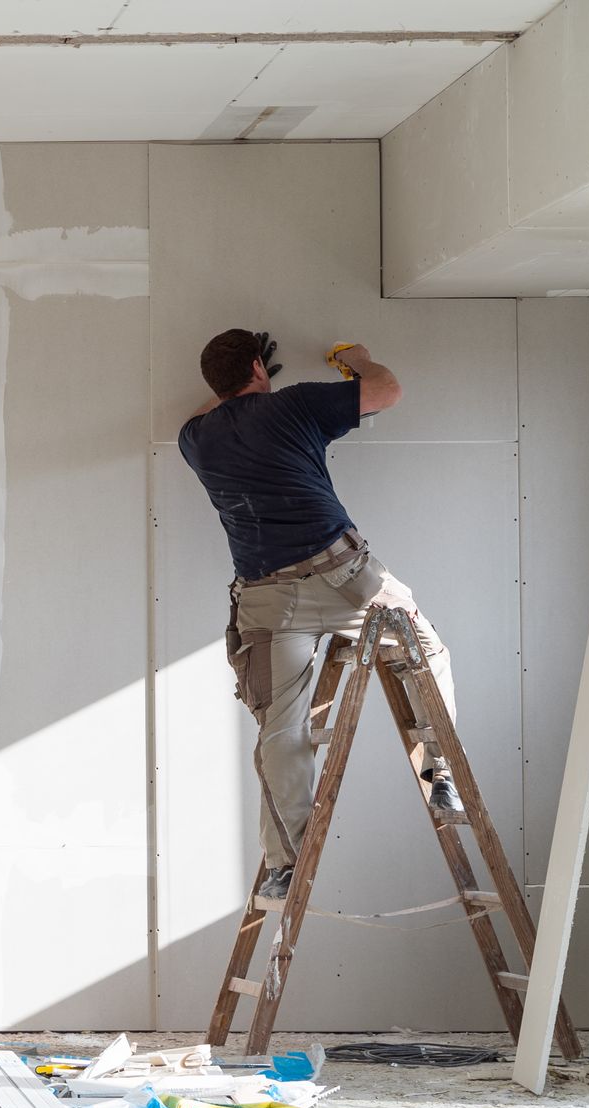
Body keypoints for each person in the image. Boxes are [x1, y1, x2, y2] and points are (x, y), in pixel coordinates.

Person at [178, 328, 459, 901]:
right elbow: (385, 390)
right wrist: (355, 359)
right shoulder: (294, 406)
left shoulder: (196, 438)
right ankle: (441, 776)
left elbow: (215, 405)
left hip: (264, 599)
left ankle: (286, 863)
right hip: (345, 577)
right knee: (426, 651)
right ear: (260, 367)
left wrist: (242, 388)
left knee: (281, 728)